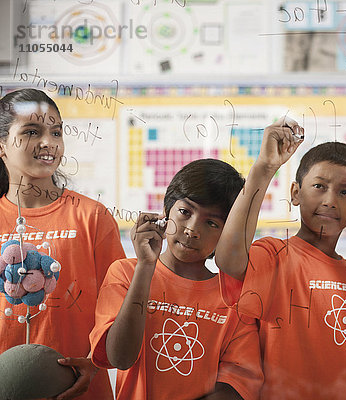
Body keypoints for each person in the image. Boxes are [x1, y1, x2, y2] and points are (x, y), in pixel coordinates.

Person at [215, 118, 346, 399]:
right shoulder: (272, 255)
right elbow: (228, 257)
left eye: (345, 192)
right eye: (319, 186)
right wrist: (264, 168)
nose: (330, 200)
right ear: (295, 193)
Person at [89, 159, 263, 400]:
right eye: (185, 212)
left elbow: (236, 387)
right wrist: (145, 267)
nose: (192, 229)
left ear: (226, 233)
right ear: (166, 212)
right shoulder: (125, 273)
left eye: (212, 222)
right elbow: (120, 358)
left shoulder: (235, 299)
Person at [0, 88, 125, 399]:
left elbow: (119, 309)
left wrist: (95, 363)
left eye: (56, 132)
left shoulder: (91, 216)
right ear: (1, 145)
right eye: (32, 131)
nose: (49, 143)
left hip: (80, 388)